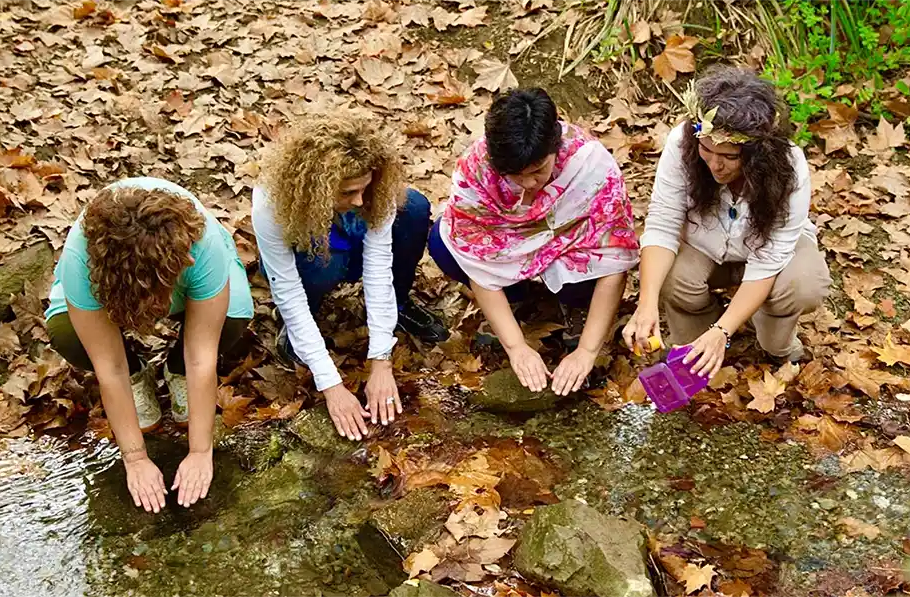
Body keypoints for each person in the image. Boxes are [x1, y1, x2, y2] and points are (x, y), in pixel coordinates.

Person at [45, 177, 253, 513]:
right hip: (113, 280)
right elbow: (108, 368)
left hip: (189, 270)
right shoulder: (81, 258)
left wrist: (201, 452)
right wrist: (135, 458)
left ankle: (175, 370)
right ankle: (137, 374)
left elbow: (203, 357)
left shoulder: (201, 246)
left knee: (234, 315)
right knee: (66, 333)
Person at [429, 88, 640, 397]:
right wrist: (516, 347)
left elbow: (613, 259)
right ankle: (512, 297)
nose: (529, 183)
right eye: (516, 175)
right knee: (442, 243)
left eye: (539, 170)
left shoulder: (591, 166)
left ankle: (576, 306)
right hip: (509, 250)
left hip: (569, 250)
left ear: (556, 145)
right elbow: (475, 261)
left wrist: (587, 351)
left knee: (592, 271)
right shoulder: (476, 171)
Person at [623, 66, 831, 377]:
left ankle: (768, 329)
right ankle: (697, 335)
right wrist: (646, 303)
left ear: (757, 154)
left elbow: (769, 259)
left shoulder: (789, 166)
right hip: (702, 245)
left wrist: (723, 330)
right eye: (706, 150)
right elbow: (663, 224)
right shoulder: (682, 144)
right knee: (667, 277)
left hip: (770, 261)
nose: (715, 165)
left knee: (804, 284)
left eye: (730, 157)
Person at [252, 113, 448, 442]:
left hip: (354, 249)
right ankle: (299, 330)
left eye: (364, 188)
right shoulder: (271, 203)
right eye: (348, 192)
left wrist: (381, 359)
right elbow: (287, 289)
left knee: (412, 207)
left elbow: (378, 266)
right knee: (324, 263)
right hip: (309, 261)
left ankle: (398, 307)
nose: (359, 200)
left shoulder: (372, 194)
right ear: (317, 186)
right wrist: (330, 384)